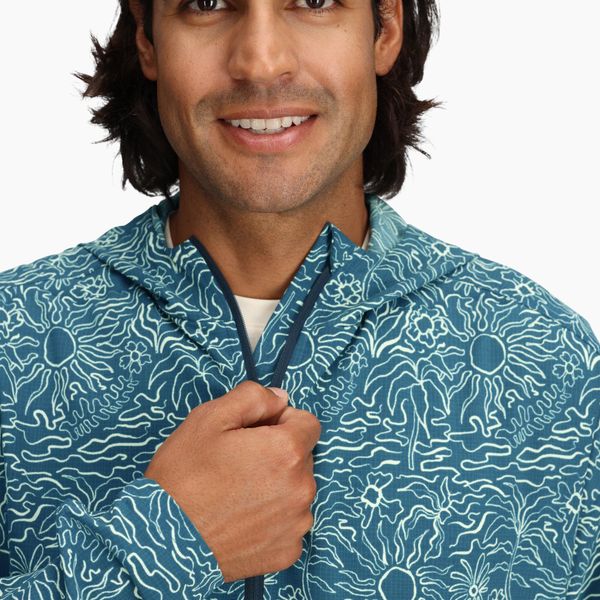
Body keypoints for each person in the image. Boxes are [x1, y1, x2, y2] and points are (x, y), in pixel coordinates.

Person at [0, 0, 598, 598]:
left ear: (385, 28)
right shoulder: (13, 340)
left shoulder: (548, 363)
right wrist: (161, 547)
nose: (261, 62)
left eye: (313, 1)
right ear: (147, 38)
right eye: (207, 3)